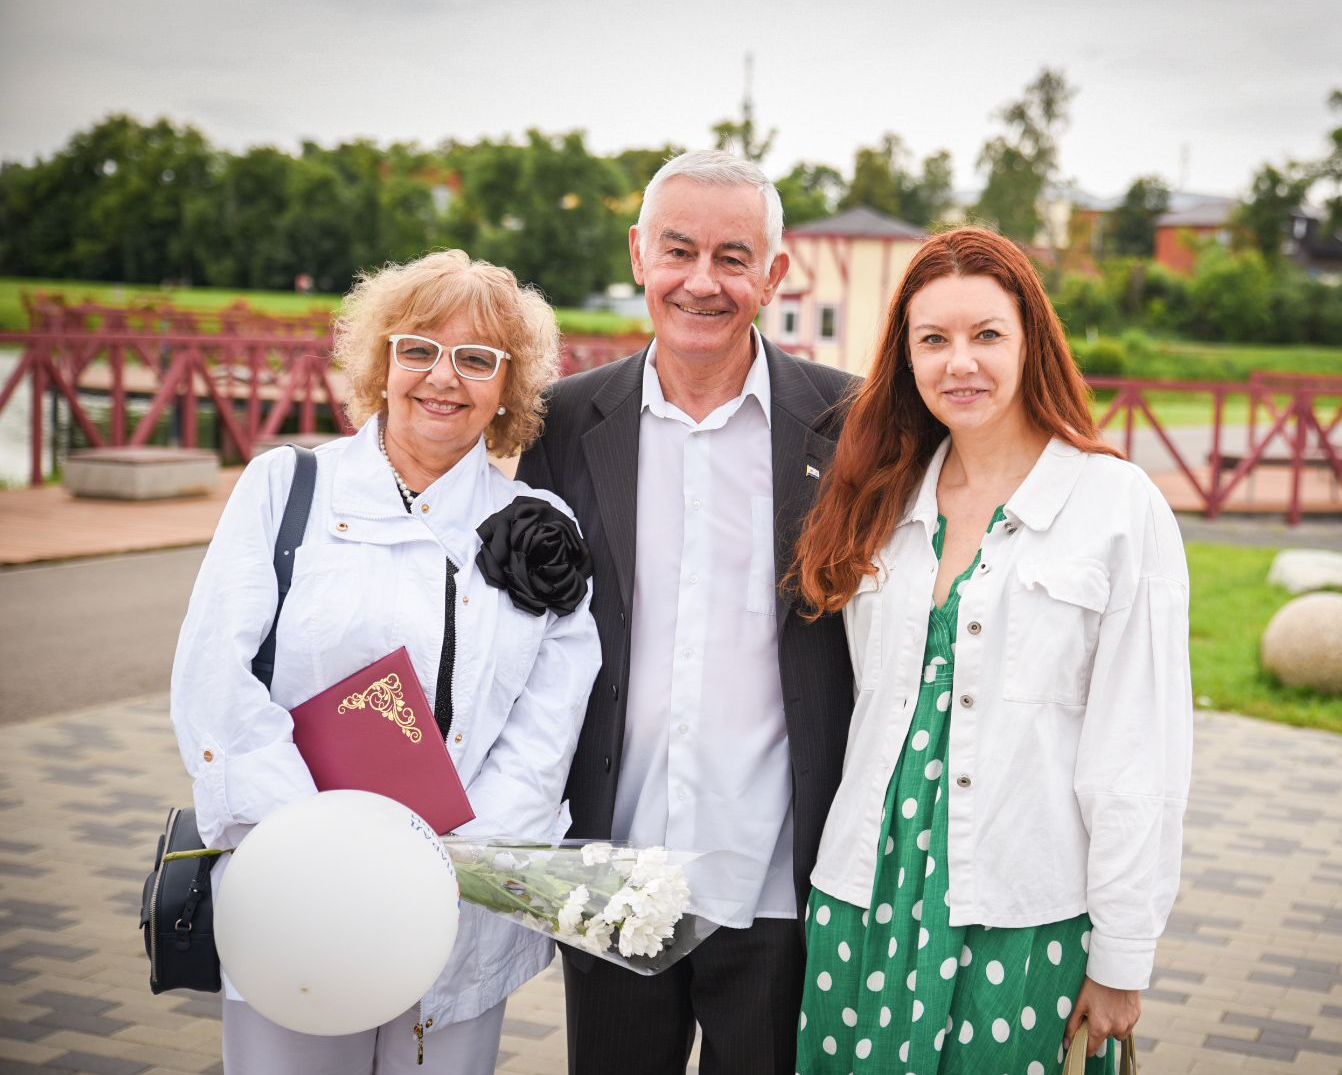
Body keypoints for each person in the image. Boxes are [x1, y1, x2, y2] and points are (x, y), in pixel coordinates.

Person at [170, 249, 601, 1073]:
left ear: (508, 386)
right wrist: (325, 850)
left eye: (477, 359)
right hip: (297, 892)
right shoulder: (284, 487)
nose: (444, 378)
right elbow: (215, 685)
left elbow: (547, 731)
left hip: (456, 904)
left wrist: (442, 867)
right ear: (382, 360)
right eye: (419, 350)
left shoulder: (541, 525)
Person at [792, 227, 1193, 1074]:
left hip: (1025, 908)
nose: (958, 363)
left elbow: (1139, 752)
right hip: (867, 895)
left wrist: (1122, 956)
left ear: (1031, 342)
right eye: (932, 339)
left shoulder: (1114, 505)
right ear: (905, 356)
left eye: (986, 336)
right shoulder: (880, 493)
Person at [517, 150, 857, 1075]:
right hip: (615, 863)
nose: (702, 282)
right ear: (639, 255)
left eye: (733, 257)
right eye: (678, 251)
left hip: (781, 873)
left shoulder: (851, 424)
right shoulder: (561, 425)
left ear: (775, 274)